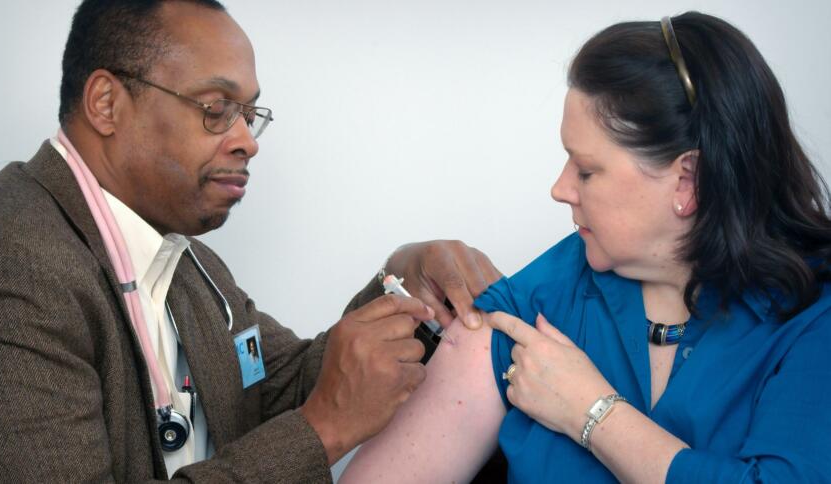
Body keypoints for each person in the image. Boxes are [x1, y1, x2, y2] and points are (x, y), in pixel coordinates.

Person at [0, 1, 501, 482]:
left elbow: (284, 386)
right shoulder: (5, 261)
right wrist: (321, 432)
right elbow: (319, 411)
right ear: (107, 104)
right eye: (216, 108)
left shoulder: (188, 263)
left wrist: (402, 287)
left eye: (248, 114)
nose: (247, 140)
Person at [341, 11, 831, 483]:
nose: (559, 188)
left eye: (587, 170)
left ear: (687, 181)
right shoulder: (538, 303)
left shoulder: (812, 313)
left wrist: (592, 412)